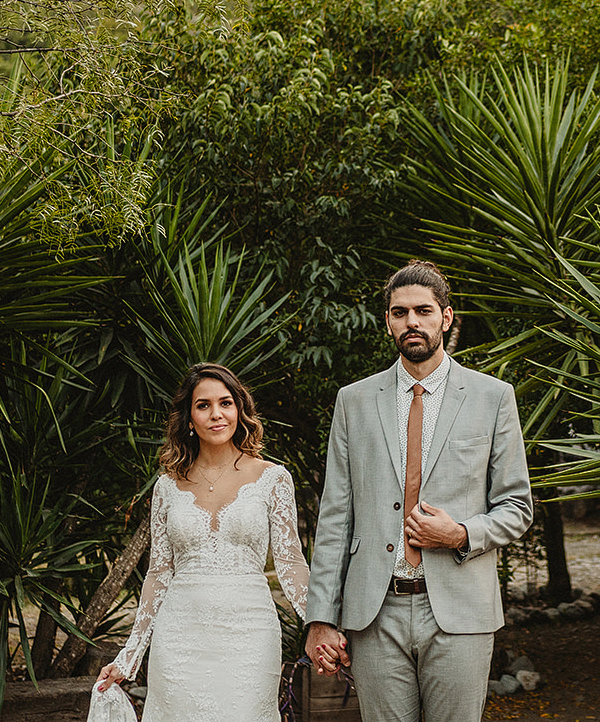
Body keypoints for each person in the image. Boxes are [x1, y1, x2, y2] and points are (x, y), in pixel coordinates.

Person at [303, 261, 533, 722]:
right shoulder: (354, 400)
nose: (412, 322)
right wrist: (321, 617)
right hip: (375, 612)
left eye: (423, 311)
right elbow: (335, 517)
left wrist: (461, 533)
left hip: (459, 611)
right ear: (388, 321)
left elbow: (517, 506)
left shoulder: (493, 397)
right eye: (400, 312)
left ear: (445, 318)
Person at [95, 362, 309, 721]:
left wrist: (321, 626)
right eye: (203, 405)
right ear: (188, 418)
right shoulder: (167, 486)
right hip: (179, 635)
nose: (216, 414)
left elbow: (291, 564)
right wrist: (129, 656)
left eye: (225, 403)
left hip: (250, 634)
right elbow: (158, 575)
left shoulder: (273, 479)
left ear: (240, 409)